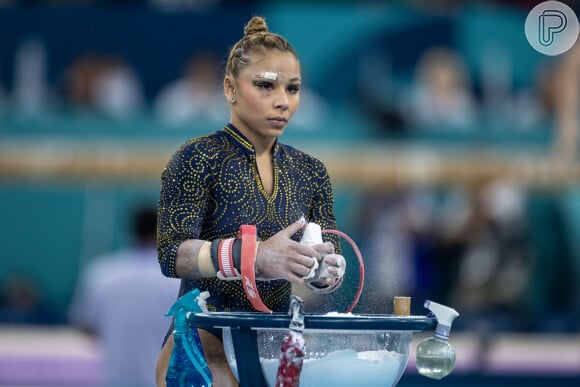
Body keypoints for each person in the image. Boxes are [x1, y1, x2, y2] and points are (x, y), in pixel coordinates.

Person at [155, 16, 347, 387]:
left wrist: (324, 272)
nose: (282, 101)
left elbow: (328, 258)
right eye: (265, 86)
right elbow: (171, 254)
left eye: (293, 89)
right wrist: (252, 256)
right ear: (230, 88)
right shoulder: (197, 158)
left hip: (274, 342)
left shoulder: (311, 172)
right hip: (203, 341)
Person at [69, 206, 180, 387]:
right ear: (164, 232)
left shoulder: (102, 274)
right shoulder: (178, 279)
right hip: (164, 379)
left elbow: (86, 326)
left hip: (115, 378)